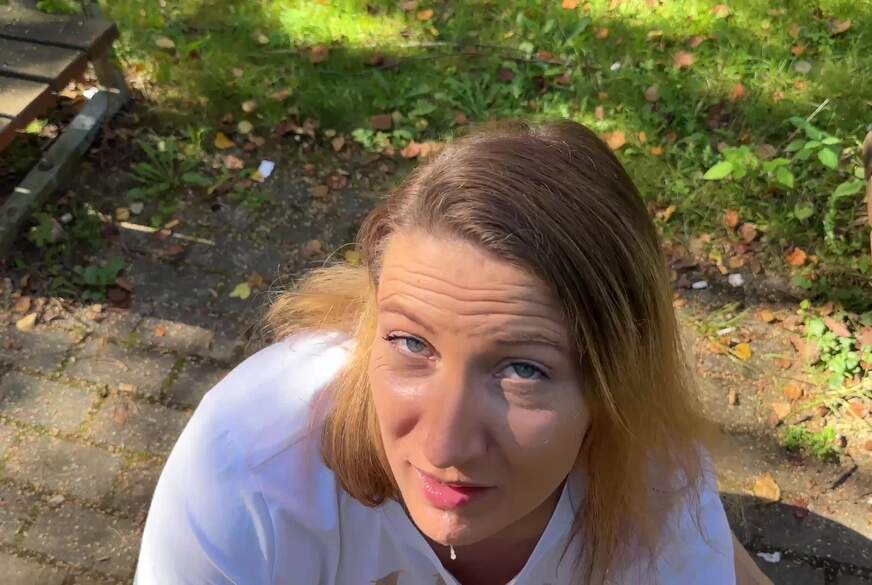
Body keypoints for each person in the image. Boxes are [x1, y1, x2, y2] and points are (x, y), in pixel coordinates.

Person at [134, 119, 765, 584]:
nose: (443, 448)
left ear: (612, 385)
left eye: (523, 370)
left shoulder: (659, 495)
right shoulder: (245, 466)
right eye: (411, 342)